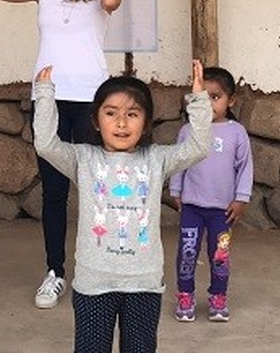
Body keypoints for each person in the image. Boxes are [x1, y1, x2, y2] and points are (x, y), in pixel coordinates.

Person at [0, 0, 123, 309]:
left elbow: (111, 0)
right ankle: (55, 272)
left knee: (101, 187)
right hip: (51, 98)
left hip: (94, 100)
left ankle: (104, 267)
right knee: (55, 192)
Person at [33, 60, 212, 352]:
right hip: (93, 284)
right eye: (111, 113)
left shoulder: (157, 159)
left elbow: (198, 147)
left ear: (146, 124)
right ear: (95, 120)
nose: (121, 123)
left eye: (132, 114)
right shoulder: (83, 160)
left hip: (144, 284)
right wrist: (44, 95)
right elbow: (46, 145)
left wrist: (198, 101)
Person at [168, 66, 253, 323]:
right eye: (202, 98)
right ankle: (185, 295)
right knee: (187, 252)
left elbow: (245, 167)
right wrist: (176, 191)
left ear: (231, 100)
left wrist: (241, 199)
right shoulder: (187, 131)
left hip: (222, 210)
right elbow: (179, 162)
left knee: (219, 255)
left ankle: (218, 297)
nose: (209, 103)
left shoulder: (236, 132)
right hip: (192, 207)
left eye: (215, 97)